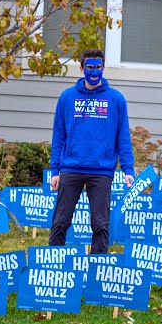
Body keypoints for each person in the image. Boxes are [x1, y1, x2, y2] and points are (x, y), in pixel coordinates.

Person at [48, 48, 135, 254]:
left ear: (103, 68)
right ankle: (51, 263)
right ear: (81, 69)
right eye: (89, 67)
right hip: (71, 168)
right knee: (61, 220)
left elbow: (123, 136)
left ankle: (98, 269)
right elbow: (59, 135)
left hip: (101, 170)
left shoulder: (116, 99)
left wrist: (128, 169)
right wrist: (55, 170)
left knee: (100, 223)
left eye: (98, 67)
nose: (94, 72)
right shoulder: (67, 97)